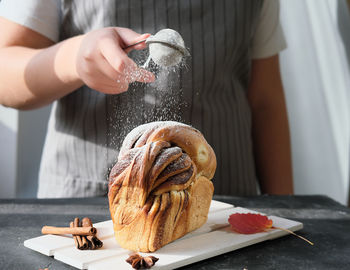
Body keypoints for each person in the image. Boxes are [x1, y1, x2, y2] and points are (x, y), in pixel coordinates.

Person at [0, 0, 294, 198]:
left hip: (223, 204)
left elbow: (265, 99)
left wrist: (287, 210)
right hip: (94, 202)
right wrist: (75, 58)